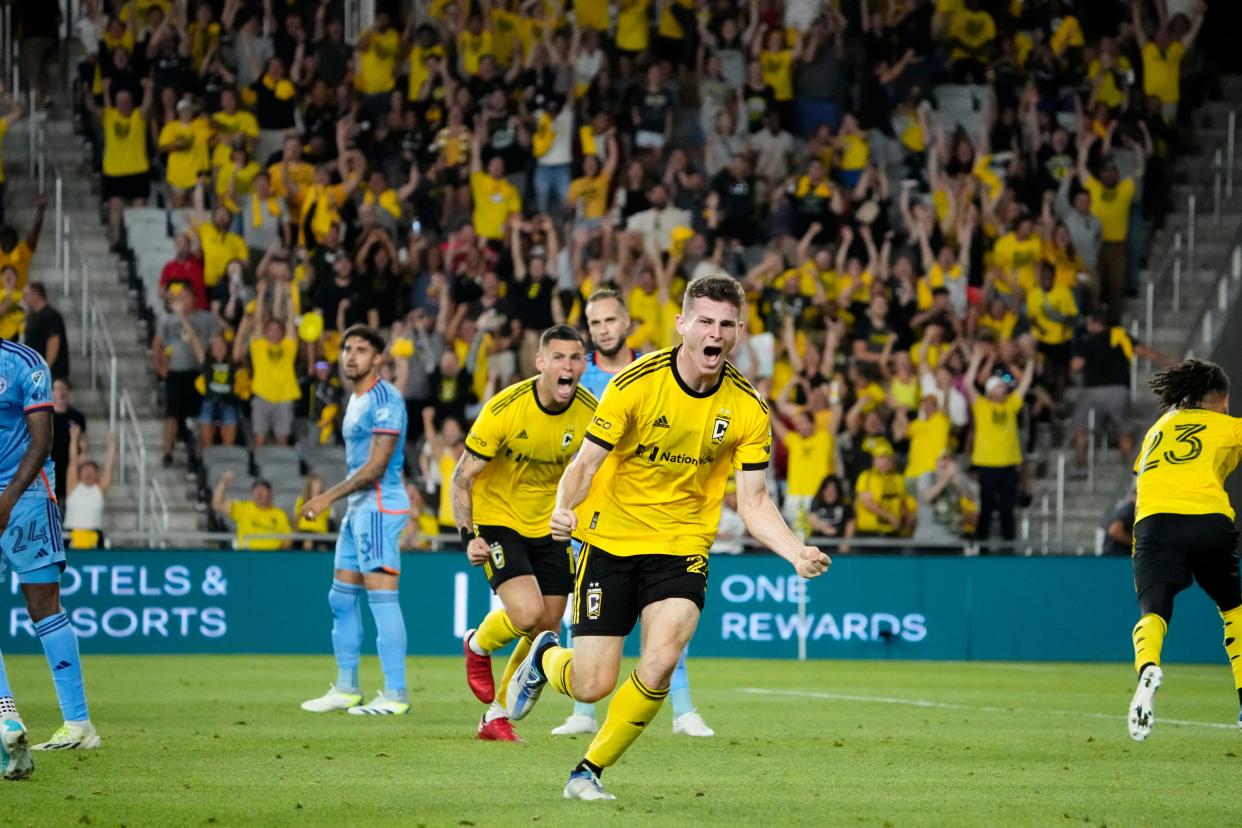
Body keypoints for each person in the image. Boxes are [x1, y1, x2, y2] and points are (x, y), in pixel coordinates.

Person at [504, 274, 830, 801]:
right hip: (610, 540)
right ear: (682, 324)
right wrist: (563, 508)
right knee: (591, 683)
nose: (715, 333)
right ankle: (544, 657)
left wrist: (795, 551)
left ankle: (587, 772)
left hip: (681, 546)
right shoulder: (635, 383)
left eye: (726, 324)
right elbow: (586, 464)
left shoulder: (748, 408)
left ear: (739, 333)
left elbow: (754, 502)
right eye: (704, 320)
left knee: (662, 659)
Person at [554, 289, 714, 740]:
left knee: (665, 618)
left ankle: (683, 710)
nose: (603, 329)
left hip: (657, 514)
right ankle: (583, 712)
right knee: (584, 614)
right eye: (595, 323)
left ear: (627, 321)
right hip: (594, 512)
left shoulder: (658, 370)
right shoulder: (576, 377)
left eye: (610, 320)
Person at [451, 325, 596, 742]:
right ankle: (478, 645)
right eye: (559, 358)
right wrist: (468, 537)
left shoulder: (591, 411)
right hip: (500, 520)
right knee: (527, 613)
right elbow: (462, 479)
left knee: (545, 632)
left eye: (575, 358)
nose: (568, 366)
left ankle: (494, 715)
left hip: (551, 525)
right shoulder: (506, 409)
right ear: (541, 362)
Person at [1126, 359, 1242, 741]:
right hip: (1210, 520)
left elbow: (1141, 478)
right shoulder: (1229, 426)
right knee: (1233, 607)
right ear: (1219, 403)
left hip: (1155, 523)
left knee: (1153, 608)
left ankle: (1148, 668)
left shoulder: (1156, 431)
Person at [299, 325, 411, 716]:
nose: (351, 356)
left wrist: (327, 497)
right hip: (359, 510)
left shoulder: (386, 400)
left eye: (361, 350)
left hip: (380, 505)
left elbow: (377, 466)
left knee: (382, 599)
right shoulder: (356, 398)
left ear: (377, 358)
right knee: (340, 598)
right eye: (347, 348)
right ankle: (346, 687)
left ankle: (395, 694)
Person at [0, 339, 98, 778]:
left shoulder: (24, 362)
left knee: (43, 606)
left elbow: (43, 442)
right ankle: (6, 719)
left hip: (28, 495)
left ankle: (78, 723)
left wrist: (7, 500)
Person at [963, 343, 1034, 548]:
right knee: (985, 508)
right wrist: (976, 360)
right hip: (987, 463)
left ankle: (1008, 548)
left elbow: (1026, 383)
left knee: (1007, 509)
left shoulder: (1011, 405)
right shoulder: (982, 406)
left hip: (1008, 463)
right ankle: (982, 547)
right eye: (999, 387)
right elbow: (969, 384)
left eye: (1004, 387)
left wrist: (1029, 361)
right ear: (991, 391)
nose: (1003, 389)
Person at [153, 287, 218, 467]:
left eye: (185, 296)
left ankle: (197, 455)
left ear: (195, 297)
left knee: (197, 416)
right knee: (172, 413)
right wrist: (159, 365)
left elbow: (217, 341)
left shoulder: (205, 318)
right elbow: (157, 343)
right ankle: (167, 452)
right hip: (176, 372)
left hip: (198, 373)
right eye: (178, 297)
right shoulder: (167, 319)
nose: (181, 300)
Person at [63, 424, 116, 550]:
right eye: (85, 470)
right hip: (70, 536)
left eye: (92, 471)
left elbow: (109, 466)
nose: (88, 473)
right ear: (79, 474)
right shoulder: (73, 487)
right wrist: (74, 438)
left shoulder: (99, 489)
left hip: (94, 537)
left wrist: (112, 445)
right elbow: (72, 461)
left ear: (98, 475)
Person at [211, 475, 292, 550]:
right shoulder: (243, 509)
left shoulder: (280, 514)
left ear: (270, 494)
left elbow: (287, 542)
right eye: (256, 490)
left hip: (272, 557)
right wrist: (223, 482)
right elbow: (217, 504)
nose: (259, 493)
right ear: (251, 493)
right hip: (247, 556)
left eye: (263, 490)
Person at [22, 282, 67, 381]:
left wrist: (45, 369)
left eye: (26, 295)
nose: (24, 299)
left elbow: (53, 343)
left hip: (51, 375)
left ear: (36, 294)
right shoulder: (33, 316)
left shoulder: (50, 316)